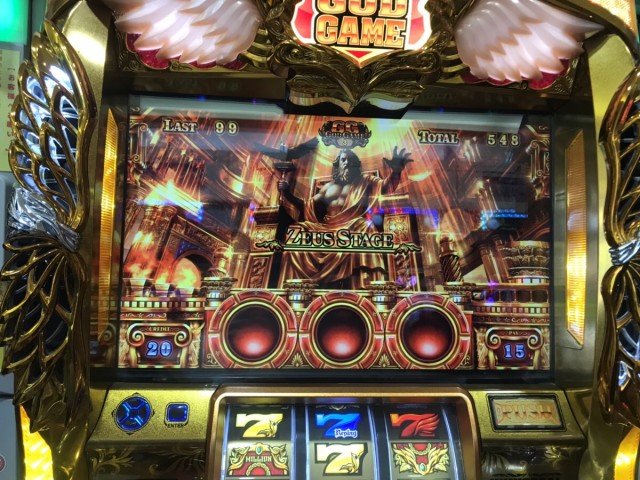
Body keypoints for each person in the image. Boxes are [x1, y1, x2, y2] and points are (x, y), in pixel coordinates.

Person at [278, 147, 412, 289]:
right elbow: (307, 205)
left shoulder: (366, 180)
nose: (347, 163)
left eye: (351, 160)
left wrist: (396, 171)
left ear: (356, 165)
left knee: (366, 226)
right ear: (338, 164)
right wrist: (287, 193)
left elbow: (386, 187)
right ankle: (295, 288)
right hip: (326, 230)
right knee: (296, 230)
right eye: (344, 160)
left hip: (353, 228)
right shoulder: (328, 187)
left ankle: (365, 287)